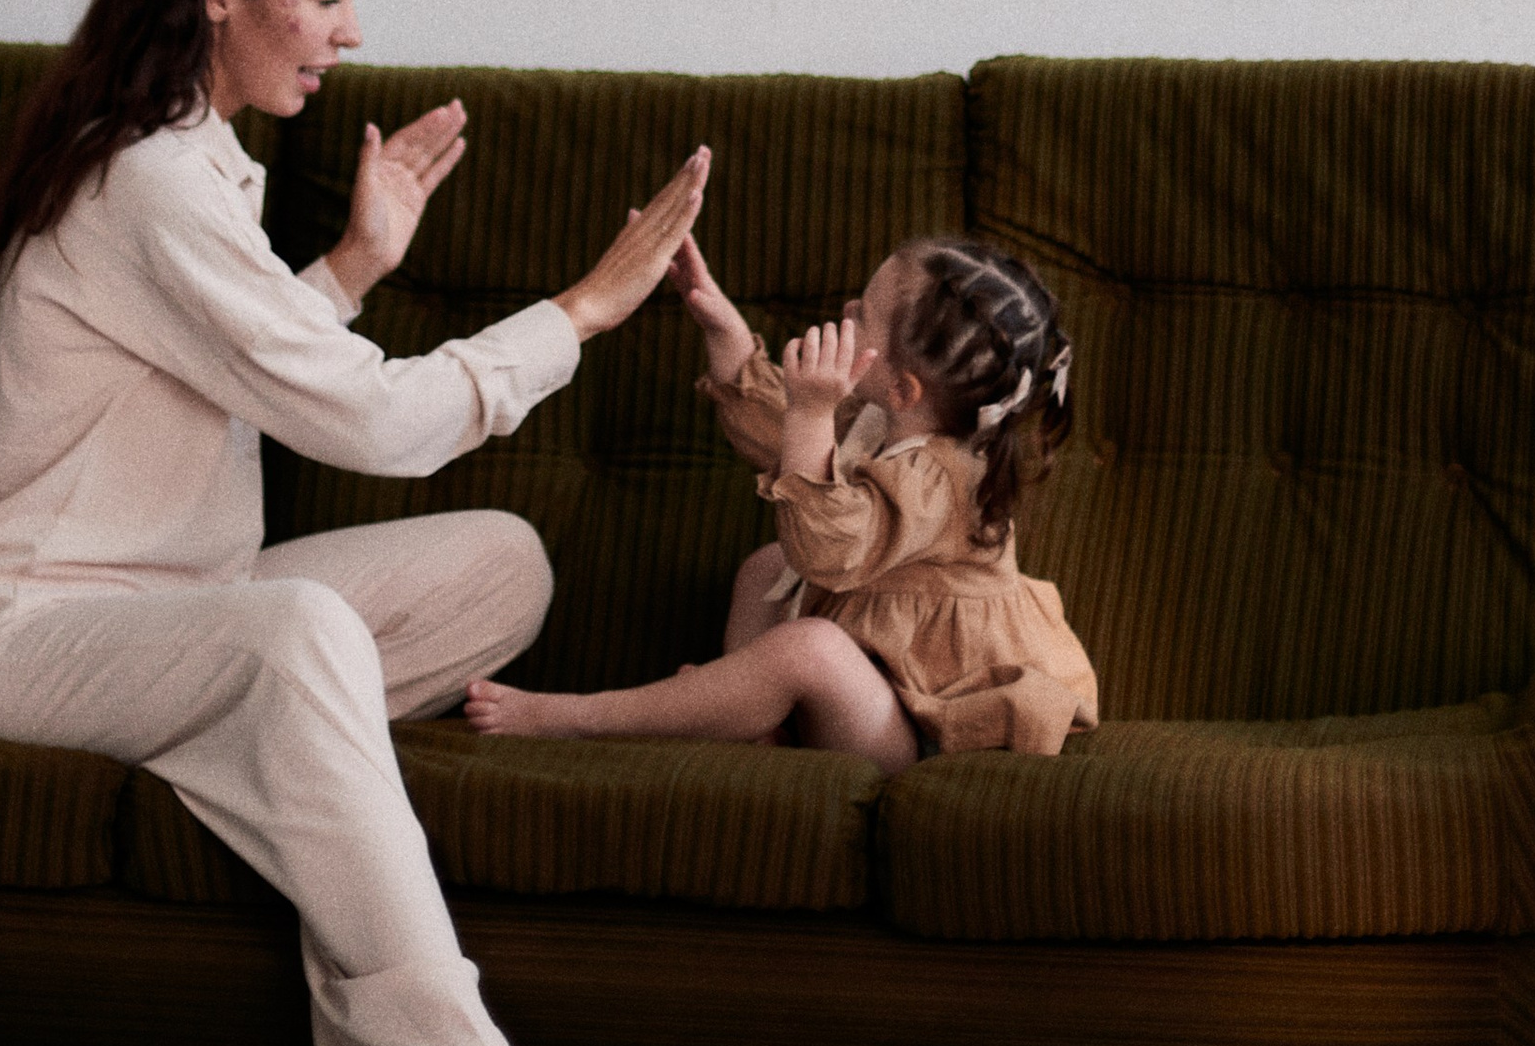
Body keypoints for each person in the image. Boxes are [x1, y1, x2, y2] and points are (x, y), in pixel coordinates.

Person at [0, 0, 705, 1046]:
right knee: (303, 639)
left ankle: (244, 739)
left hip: (170, 611)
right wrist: (578, 314)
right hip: (4, 637)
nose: (349, 29)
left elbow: (224, 370)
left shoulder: (197, 166)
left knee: (504, 561)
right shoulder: (145, 181)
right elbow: (371, 425)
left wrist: (356, 267)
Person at [462, 230, 1097, 766]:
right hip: (884, 693)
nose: (847, 309)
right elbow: (781, 429)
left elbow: (828, 550)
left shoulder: (942, 480)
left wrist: (815, 413)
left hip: (933, 730)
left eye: (863, 316)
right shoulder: (887, 419)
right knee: (766, 565)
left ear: (905, 389)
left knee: (810, 646)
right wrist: (722, 324)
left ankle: (578, 717)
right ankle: (736, 711)